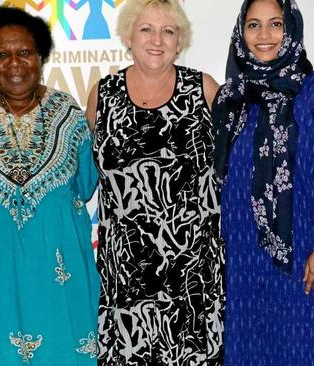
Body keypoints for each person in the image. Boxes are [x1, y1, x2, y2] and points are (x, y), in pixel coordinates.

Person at [0, 7, 99, 365]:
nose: (14, 63)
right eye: (2, 54)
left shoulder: (68, 112)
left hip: (60, 279)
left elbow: (87, 183)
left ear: (41, 57)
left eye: (25, 52)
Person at [212, 0, 314, 365]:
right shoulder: (232, 98)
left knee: (309, 352)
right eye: (254, 25)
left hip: (307, 258)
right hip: (244, 263)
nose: (264, 36)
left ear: (291, 30)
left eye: (275, 25)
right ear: (240, 32)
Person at [85, 0, 224, 364]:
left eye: (168, 31)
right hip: (126, 272)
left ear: (180, 41)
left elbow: (236, 171)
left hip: (194, 272)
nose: (157, 40)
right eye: (146, 29)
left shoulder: (206, 90)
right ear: (129, 36)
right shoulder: (103, 95)